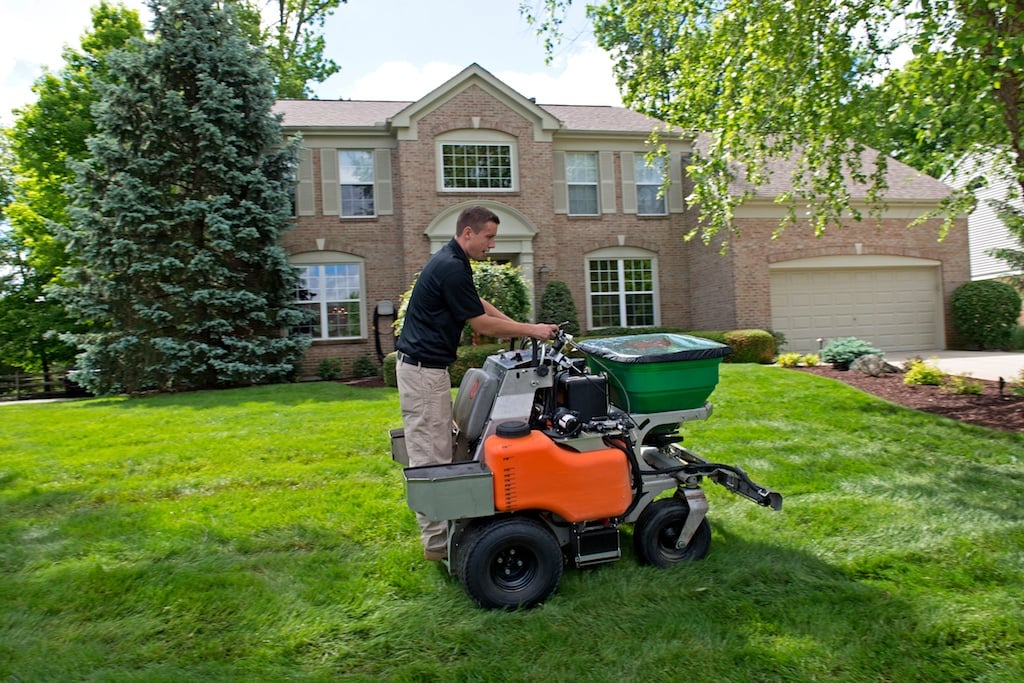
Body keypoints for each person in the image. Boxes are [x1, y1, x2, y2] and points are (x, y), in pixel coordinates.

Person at [396, 205, 559, 561]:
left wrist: (518, 324)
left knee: (446, 444)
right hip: (423, 372)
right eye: (489, 237)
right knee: (430, 455)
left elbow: (477, 303)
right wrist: (532, 330)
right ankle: (438, 546)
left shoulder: (453, 261)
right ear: (468, 233)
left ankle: (451, 527)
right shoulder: (451, 266)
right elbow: (481, 325)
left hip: (428, 371)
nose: (492, 244)